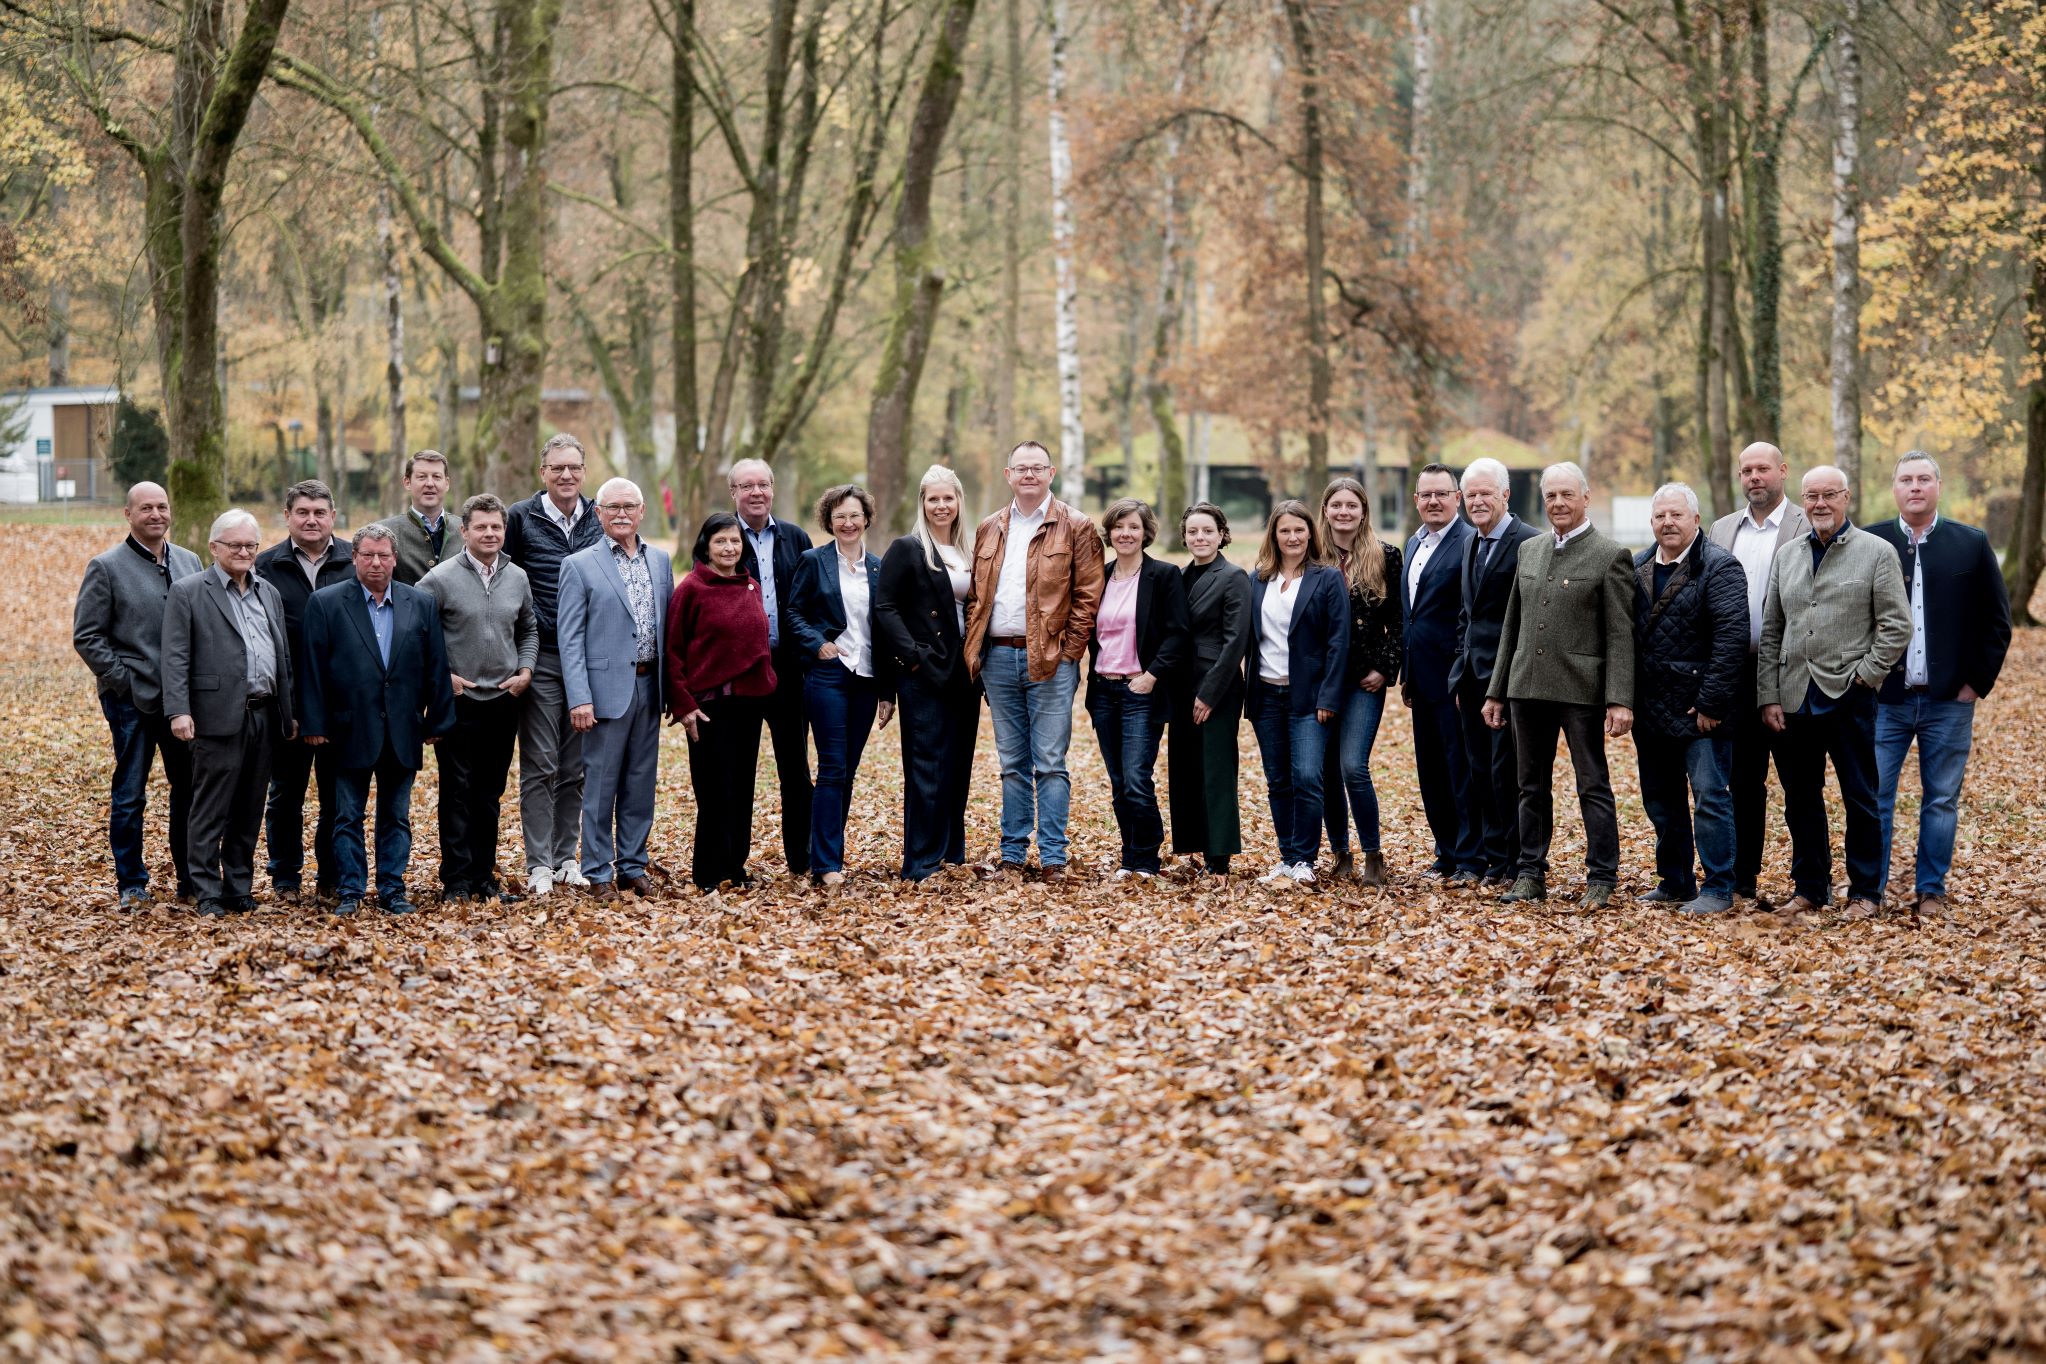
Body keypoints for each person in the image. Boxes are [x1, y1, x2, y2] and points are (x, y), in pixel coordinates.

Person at [1757, 465, 1911, 914]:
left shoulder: (1876, 552)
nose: (1820, 504)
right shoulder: (1787, 555)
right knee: (1801, 800)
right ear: (1802, 501)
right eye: (1812, 496)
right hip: (1792, 698)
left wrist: (1865, 675)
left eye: (1829, 495)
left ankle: (1865, 892)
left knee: (1860, 798)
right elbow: (1772, 630)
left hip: (1849, 697)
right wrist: (1768, 694)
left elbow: (1896, 625)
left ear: (1847, 497)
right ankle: (1810, 890)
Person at [1482, 462, 1636, 909]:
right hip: (1526, 686)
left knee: (1592, 783)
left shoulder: (1610, 555)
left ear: (1585, 498)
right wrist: (1496, 689)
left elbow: (1620, 634)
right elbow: (1513, 625)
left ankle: (1602, 876)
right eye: (1551, 496)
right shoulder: (1529, 550)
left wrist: (1619, 698)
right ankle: (1531, 873)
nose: (1558, 503)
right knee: (1529, 784)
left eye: (1567, 495)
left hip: (1581, 691)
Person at [1866, 452, 2010, 915]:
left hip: (1949, 699)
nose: (1914, 487)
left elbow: (1997, 622)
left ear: (1938, 486)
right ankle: (1871, 890)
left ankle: (1931, 889)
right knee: (1874, 796)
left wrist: (1975, 684)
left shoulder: (1970, 544)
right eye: (1906, 479)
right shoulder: (1872, 541)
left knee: (1942, 798)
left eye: (1923, 479)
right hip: (1884, 699)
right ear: (1894, 489)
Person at [962, 440, 1106, 880]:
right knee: (1011, 763)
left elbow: (1088, 594)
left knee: (1049, 761)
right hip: (998, 659)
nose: (1028, 475)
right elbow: (976, 595)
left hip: (1051, 661)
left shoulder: (1076, 526)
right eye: (1020, 468)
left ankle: (1054, 858)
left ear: (1051, 473)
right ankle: (1011, 854)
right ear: (1008, 475)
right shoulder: (990, 527)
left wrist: (1070, 652)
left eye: (1037, 468)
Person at [300, 525, 456, 916]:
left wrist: (437, 719)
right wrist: (314, 724)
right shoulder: (326, 603)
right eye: (367, 555)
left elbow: (436, 665)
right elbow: (312, 669)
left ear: (394, 559)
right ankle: (350, 890)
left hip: (403, 728)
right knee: (346, 815)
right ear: (354, 558)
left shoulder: (419, 603)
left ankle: (392, 889)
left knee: (396, 816)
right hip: (347, 728)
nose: (376, 563)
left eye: (383, 555)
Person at [73, 481, 205, 908]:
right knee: (130, 794)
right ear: (128, 514)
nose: (155, 514)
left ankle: (191, 877)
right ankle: (131, 882)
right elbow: (88, 636)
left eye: (162, 507)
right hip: (130, 700)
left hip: (181, 702)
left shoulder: (191, 561)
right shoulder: (106, 567)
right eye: (145, 507)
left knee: (188, 790)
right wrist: (124, 681)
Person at [162, 510, 295, 918]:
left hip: (263, 715)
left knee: (249, 807)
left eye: (250, 545)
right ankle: (206, 891)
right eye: (234, 545)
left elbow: (282, 655)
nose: (243, 552)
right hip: (214, 715)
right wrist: (179, 711)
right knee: (209, 808)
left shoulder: (267, 592)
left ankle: (238, 886)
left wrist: (287, 711)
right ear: (214, 547)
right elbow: (175, 656)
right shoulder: (189, 591)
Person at [1631, 484, 1748, 915]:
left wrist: (1713, 704)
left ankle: (1718, 887)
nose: (1668, 523)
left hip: (1701, 712)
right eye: (1660, 515)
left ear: (1696, 520)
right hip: (1652, 709)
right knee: (1661, 799)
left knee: (1710, 797)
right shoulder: (1638, 565)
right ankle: (1675, 881)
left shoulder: (1720, 567)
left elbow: (1732, 639)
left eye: (1677, 515)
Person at [558, 477, 674, 900]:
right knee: (601, 784)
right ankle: (597, 870)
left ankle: (632, 865)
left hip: (650, 684)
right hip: (603, 693)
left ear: (642, 512)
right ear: (598, 514)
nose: (622, 514)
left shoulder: (660, 561)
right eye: (613, 507)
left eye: (629, 506)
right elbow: (569, 638)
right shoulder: (579, 565)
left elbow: (669, 630)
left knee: (641, 784)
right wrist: (580, 697)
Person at [422, 493, 538, 904]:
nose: (490, 534)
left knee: (490, 793)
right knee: (457, 790)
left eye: (496, 527)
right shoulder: (439, 579)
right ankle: (455, 879)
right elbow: (417, 633)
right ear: (464, 531)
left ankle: (482, 876)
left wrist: (525, 670)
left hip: (504, 700)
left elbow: (528, 629)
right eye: (481, 527)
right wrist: (441, 678)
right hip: (459, 701)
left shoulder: (517, 577)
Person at [1707, 441, 1809, 900]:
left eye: (1762, 469)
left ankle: (1809, 883)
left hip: (1789, 672)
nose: (1754, 477)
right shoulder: (1722, 529)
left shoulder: (1806, 525)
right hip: (1734, 674)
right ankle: (1742, 881)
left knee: (1798, 782)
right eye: (1746, 470)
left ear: (1782, 471)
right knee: (1742, 783)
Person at [503, 434, 603, 895]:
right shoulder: (521, 518)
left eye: (575, 468)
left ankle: (567, 858)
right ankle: (539, 863)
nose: (567, 475)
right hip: (542, 657)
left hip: (589, 660)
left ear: (584, 472)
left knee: (575, 767)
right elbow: (507, 583)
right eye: (558, 468)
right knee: (540, 764)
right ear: (542, 472)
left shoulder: (599, 516)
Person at [874, 465, 980, 881]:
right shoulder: (908, 548)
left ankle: (951, 853)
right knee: (925, 769)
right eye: (933, 499)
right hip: (924, 674)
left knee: (958, 765)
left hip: (964, 674)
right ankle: (920, 861)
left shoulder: (971, 550)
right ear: (923, 503)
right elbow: (884, 607)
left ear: (959, 503)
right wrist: (913, 657)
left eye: (948, 498)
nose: (941, 506)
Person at [788, 485, 895, 888]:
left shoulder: (880, 568)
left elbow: (883, 632)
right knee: (832, 768)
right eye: (839, 517)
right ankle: (826, 864)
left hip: (866, 679)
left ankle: (827, 852)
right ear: (828, 522)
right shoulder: (813, 562)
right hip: (829, 675)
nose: (847, 523)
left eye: (854, 516)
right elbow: (794, 612)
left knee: (846, 771)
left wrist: (887, 690)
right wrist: (818, 644)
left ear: (866, 518)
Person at [255, 479, 356, 905]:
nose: (311, 520)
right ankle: (284, 876)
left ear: (333, 516)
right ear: (287, 516)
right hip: (287, 704)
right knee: (285, 795)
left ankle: (331, 876)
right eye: (302, 512)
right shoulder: (265, 566)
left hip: (344, 705)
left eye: (319, 512)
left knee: (338, 796)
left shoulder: (357, 559)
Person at [666, 513, 777, 892]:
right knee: (713, 790)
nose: (729, 548)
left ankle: (735, 865)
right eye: (720, 542)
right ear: (706, 546)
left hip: (748, 705)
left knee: (742, 787)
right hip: (708, 707)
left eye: (734, 541)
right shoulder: (692, 588)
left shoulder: (750, 585)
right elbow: (674, 651)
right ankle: (709, 871)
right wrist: (683, 704)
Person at [1085, 498, 1189, 879]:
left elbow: (1178, 635)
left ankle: (1146, 856)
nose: (1125, 533)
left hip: (1140, 692)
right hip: (1103, 691)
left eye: (1133, 527)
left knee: (1135, 777)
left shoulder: (1164, 575)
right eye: (1118, 527)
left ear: (1146, 532)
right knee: (1118, 781)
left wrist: (1151, 675)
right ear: (1109, 533)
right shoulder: (1100, 575)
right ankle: (1129, 855)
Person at [1246, 501, 1349, 887]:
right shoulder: (1258, 579)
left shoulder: (1326, 578)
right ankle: (1287, 857)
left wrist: (1329, 697)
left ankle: (1305, 858)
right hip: (1266, 696)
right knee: (1278, 780)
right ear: (1274, 534)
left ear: (1311, 533)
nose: (1292, 537)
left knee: (1307, 776)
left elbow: (1340, 642)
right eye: (1285, 530)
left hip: (1309, 698)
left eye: (1299, 530)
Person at [1448, 458, 1540, 888]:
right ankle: (1493, 857)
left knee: (1510, 774)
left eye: (1486, 493)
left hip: (1508, 680)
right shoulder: (1471, 541)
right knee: (1479, 771)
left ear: (1506, 495)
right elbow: (1467, 614)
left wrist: (1501, 686)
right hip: (1469, 677)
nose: (1478, 501)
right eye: (1471, 495)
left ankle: (1520, 863)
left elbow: (1525, 621)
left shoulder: (1529, 544)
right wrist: (1459, 670)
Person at [731, 458, 817, 879]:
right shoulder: (722, 537)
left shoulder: (795, 537)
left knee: (796, 771)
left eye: (763, 484)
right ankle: (733, 862)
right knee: (739, 769)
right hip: (740, 672)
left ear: (773, 489)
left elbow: (810, 601)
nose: (756, 492)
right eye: (747, 486)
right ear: (734, 493)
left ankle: (801, 859)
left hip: (788, 671)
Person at [1317, 477, 1402, 887]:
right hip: (1321, 680)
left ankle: (1373, 853)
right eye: (1336, 505)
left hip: (1364, 679)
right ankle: (1340, 853)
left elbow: (1401, 622)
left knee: (1353, 766)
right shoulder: (1312, 556)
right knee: (1327, 771)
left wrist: (1385, 668)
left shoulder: (1385, 556)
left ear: (1363, 510)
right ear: (1326, 510)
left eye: (1352, 505)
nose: (1344, 512)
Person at [1401, 463, 1482, 882]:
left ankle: (1471, 857)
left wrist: (1461, 675)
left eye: (1441, 494)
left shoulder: (1469, 542)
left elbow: (1469, 615)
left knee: (1461, 770)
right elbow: (1411, 616)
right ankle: (1446, 853)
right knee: (1430, 771)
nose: (1433, 501)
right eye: (1426, 495)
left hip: (1454, 679)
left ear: (1457, 498)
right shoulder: (1413, 544)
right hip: (1421, 676)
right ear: (1416, 500)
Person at [1168, 503, 1254, 879]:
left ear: (1222, 534)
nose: (1199, 538)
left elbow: (1236, 641)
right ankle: (1197, 845)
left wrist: (1209, 694)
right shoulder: (1180, 575)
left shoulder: (1233, 576)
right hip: (1180, 686)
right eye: (1192, 532)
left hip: (1216, 687)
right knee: (1186, 768)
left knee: (1216, 769)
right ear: (1184, 536)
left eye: (1207, 531)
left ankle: (1219, 856)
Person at [373, 450, 453, 585]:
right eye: (422, 477)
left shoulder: (466, 530)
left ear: (447, 483)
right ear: (407, 482)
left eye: (436, 477)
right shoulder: (383, 532)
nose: (429, 483)